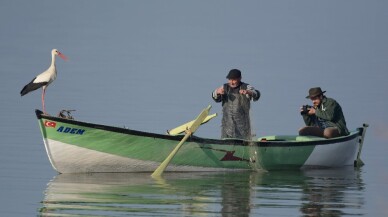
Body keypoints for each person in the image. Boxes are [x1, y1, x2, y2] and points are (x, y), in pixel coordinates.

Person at [212, 69, 260, 140]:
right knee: (225, 140)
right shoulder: (224, 87)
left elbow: (257, 94)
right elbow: (215, 97)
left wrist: (248, 92)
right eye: (230, 79)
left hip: (243, 126)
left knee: (243, 140)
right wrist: (217, 92)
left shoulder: (245, 86)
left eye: (234, 80)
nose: (231, 82)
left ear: (240, 78)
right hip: (227, 124)